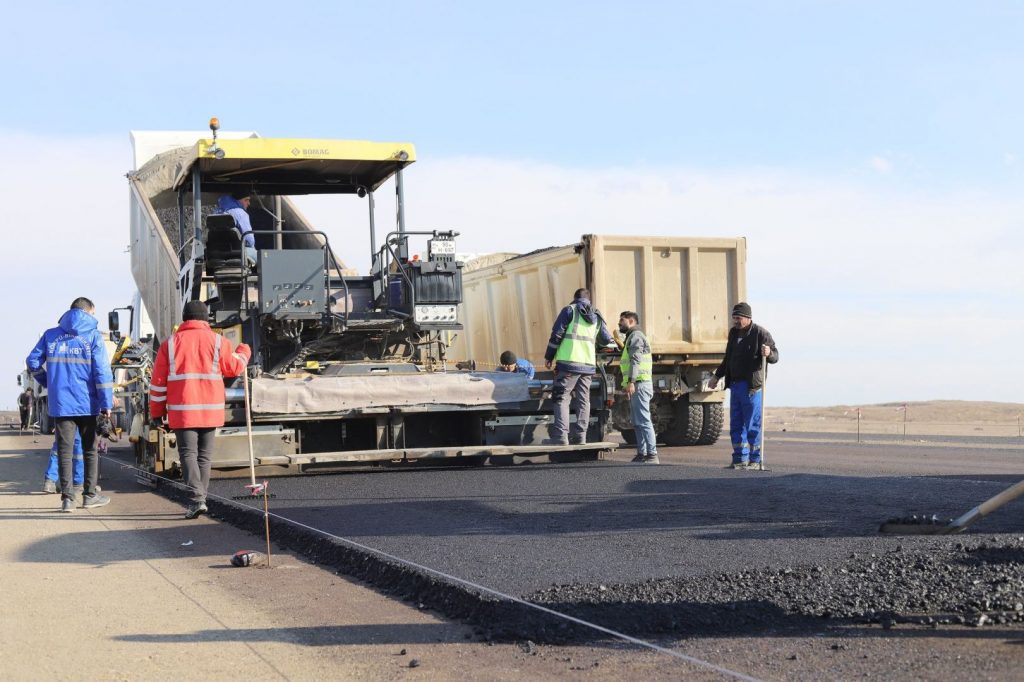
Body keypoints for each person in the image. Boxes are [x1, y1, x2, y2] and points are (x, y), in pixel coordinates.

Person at [149, 300, 251, 519]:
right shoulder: (218, 342)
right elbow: (235, 367)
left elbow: (157, 383)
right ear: (206, 319)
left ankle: (197, 500)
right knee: (204, 457)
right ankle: (199, 499)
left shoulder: (169, 344)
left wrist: (156, 412)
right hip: (210, 410)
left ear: (184, 319)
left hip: (183, 410)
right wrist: (244, 350)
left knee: (188, 453)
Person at [26, 297, 113, 512]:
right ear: (88, 311)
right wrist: (106, 403)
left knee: (64, 452)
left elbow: (32, 362)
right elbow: (102, 371)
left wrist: (48, 382)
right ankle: (89, 496)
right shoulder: (93, 336)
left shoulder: (51, 335)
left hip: (61, 404)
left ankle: (67, 500)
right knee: (89, 451)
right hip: (87, 403)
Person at [709, 302, 779, 469]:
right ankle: (740, 459)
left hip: (751, 388)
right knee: (736, 424)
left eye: (738, 318)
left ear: (748, 318)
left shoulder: (761, 334)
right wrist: (717, 376)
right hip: (735, 385)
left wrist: (769, 354)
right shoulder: (734, 334)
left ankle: (755, 460)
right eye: (734, 318)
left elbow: (775, 356)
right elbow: (728, 358)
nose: (736, 321)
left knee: (753, 424)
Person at [543, 288, 615, 445]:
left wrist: (549, 356)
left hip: (569, 363)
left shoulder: (570, 310)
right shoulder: (596, 315)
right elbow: (606, 340)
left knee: (562, 399)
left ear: (575, 298)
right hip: (588, 365)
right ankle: (580, 436)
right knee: (584, 400)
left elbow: (556, 335)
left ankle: (561, 437)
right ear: (589, 300)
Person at [618, 311, 658, 464]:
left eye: (622, 320)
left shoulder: (636, 337)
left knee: (644, 420)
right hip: (637, 385)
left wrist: (631, 382)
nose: (619, 323)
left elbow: (635, 361)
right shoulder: (631, 337)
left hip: (640, 385)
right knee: (637, 421)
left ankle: (652, 455)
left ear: (631, 321)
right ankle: (642, 454)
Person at [215, 192, 258, 266]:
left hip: (217, 253)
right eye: (246, 200)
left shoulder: (216, 212)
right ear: (238, 200)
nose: (249, 203)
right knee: (265, 259)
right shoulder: (240, 213)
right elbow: (249, 239)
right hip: (238, 252)